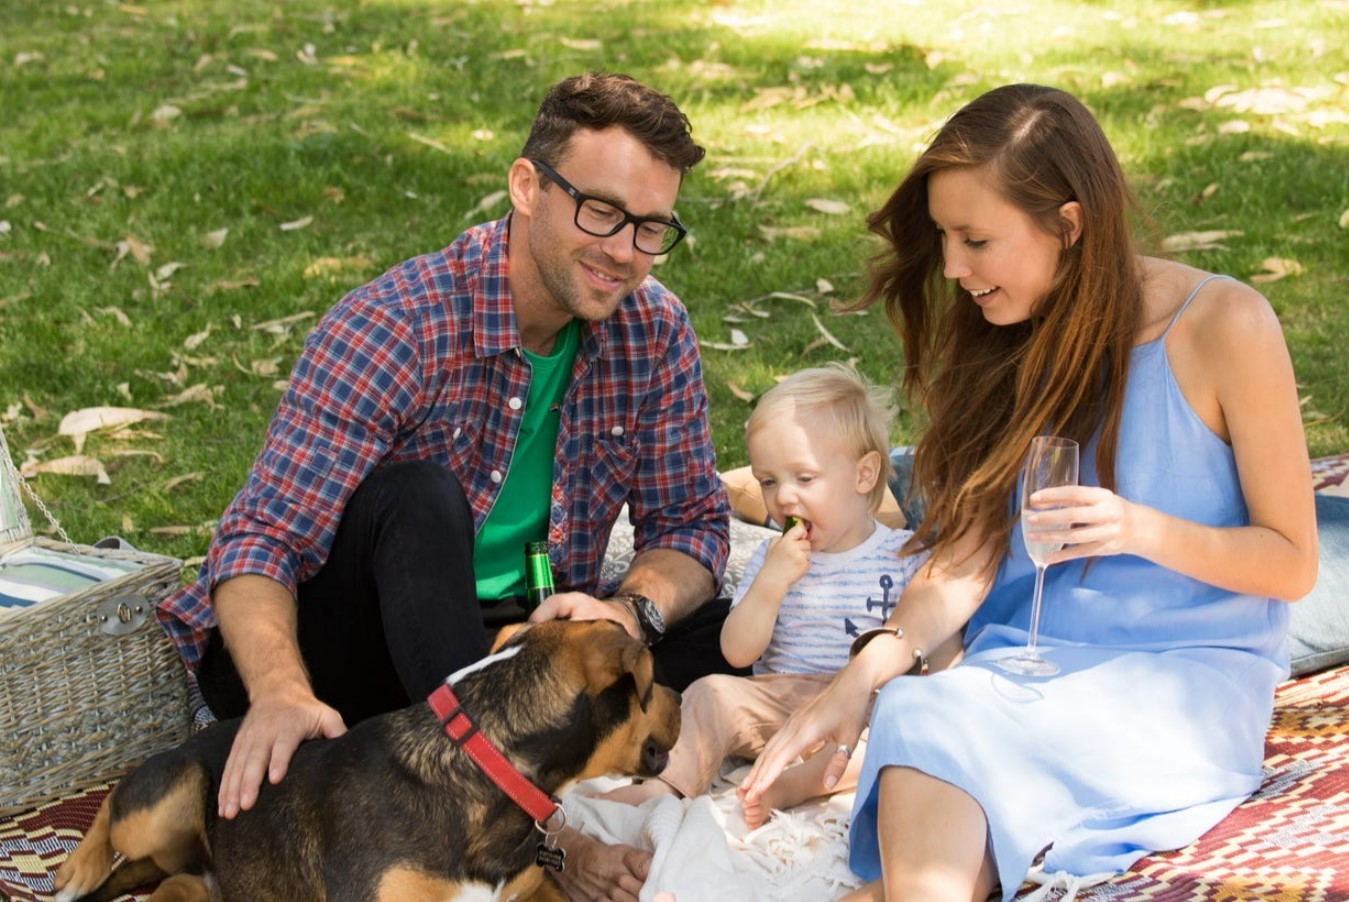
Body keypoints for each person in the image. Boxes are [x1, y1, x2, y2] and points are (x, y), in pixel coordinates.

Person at [156, 71, 744, 899]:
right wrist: (281, 692)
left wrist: (626, 611)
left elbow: (690, 523)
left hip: (502, 648)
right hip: (345, 654)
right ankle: (546, 839)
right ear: (527, 186)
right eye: (601, 212)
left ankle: (536, 781)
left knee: (727, 626)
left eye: (651, 228)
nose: (624, 251)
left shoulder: (654, 329)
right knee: (420, 499)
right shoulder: (396, 324)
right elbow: (261, 539)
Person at [739, 83, 1319, 901]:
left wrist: (1140, 529)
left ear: (1068, 226)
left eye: (975, 240)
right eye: (944, 238)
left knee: (942, 729)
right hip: (1016, 673)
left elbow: (1292, 562)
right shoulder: (1005, 337)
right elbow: (966, 555)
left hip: (1180, 684)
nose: (952, 267)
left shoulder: (1225, 325)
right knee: (916, 713)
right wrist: (861, 677)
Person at [601, 363, 927, 829]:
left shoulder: (904, 555)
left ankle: (794, 785)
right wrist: (771, 584)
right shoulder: (771, 558)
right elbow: (737, 653)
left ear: (864, 474)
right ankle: (666, 784)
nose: (783, 498)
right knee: (710, 693)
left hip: (863, 704)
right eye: (769, 481)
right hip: (778, 700)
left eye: (804, 478)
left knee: (903, 731)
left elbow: (929, 639)